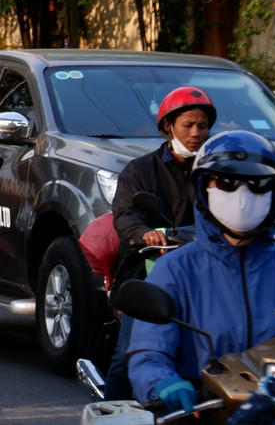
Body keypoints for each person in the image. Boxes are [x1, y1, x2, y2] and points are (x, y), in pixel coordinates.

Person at [127, 131, 275, 414]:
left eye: (258, 185)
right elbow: (150, 349)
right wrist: (162, 382)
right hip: (204, 411)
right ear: (203, 189)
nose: (242, 196)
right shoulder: (175, 268)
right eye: (226, 183)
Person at [104, 86, 217, 399]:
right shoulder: (140, 170)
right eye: (188, 125)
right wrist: (144, 233)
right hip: (149, 273)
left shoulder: (214, 170)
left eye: (203, 126)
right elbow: (125, 214)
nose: (196, 133)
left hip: (205, 272)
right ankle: (110, 412)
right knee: (128, 354)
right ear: (169, 126)